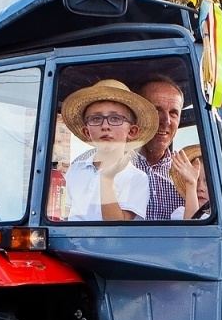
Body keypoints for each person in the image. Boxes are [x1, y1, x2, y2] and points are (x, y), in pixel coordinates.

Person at [58, 79, 156, 221]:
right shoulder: (75, 170)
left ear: (132, 131)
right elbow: (63, 216)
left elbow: (117, 230)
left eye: (115, 118)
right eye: (96, 119)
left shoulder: (136, 178)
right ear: (87, 132)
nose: (105, 126)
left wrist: (107, 180)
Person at [132, 77, 187, 220]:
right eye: (157, 110)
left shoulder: (187, 176)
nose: (166, 121)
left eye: (174, 113)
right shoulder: (110, 165)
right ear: (136, 114)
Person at [167, 144, 211, 220]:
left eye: (207, 182)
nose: (200, 188)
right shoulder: (181, 212)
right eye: (196, 181)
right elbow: (192, 228)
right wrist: (191, 184)